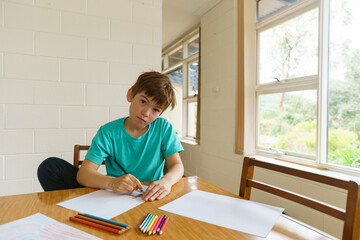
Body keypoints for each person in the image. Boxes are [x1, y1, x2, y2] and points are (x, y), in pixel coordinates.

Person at [37, 71, 184, 202]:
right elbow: (84, 174)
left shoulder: (163, 127)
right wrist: (112, 183)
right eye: (143, 101)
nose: (146, 113)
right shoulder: (108, 131)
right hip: (114, 195)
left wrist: (167, 182)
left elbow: (177, 165)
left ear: (160, 113)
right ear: (130, 95)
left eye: (156, 109)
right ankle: (68, 210)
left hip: (149, 197)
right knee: (50, 167)